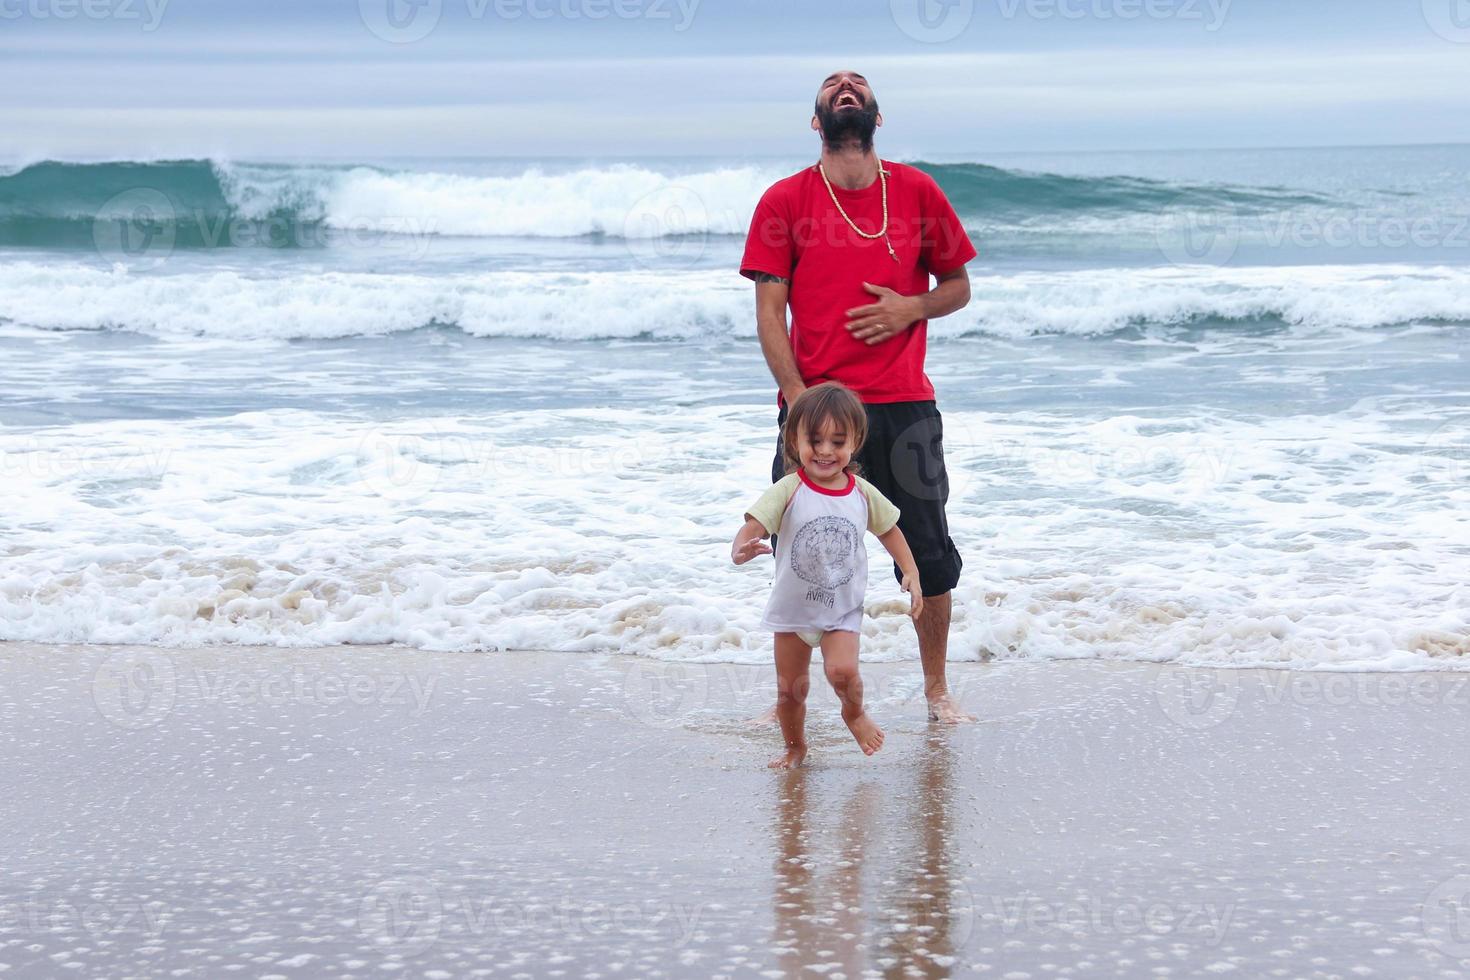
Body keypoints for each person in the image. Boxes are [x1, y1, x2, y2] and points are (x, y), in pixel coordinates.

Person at [740, 69, 977, 724]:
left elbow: (958, 286)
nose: (846, 86)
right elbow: (768, 312)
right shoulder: (785, 201)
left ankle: (936, 692)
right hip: (816, 412)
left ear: (876, 116)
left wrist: (912, 307)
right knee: (803, 558)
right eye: (832, 85)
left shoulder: (918, 191)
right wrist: (798, 402)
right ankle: (793, 698)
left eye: (858, 84)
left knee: (928, 555)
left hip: (904, 404)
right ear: (818, 122)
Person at [732, 382, 924, 769]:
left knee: (842, 671)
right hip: (792, 612)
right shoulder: (788, 490)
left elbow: (889, 530)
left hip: (841, 609)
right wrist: (741, 549)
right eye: (814, 440)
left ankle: (853, 713)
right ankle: (795, 747)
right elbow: (753, 524)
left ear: (855, 442)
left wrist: (911, 571)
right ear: (794, 440)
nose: (824, 451)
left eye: (838, 442)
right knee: (790, 692)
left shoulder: (862, 493)